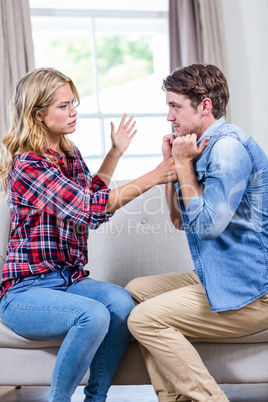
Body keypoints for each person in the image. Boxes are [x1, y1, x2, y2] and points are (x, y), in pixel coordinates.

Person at [0, 67, 176, 402]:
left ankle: (95, 399)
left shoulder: (69, 154)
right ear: (38, 114)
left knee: (121, 304)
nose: (74, 111)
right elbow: (89, 207)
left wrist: (115, 152)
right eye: (63, 106)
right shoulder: (29, 165)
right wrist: (153, 176)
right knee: (92, 314)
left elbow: (89, 211)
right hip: (25, 292)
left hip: (69, 280)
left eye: (73, 103)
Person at [126, 63, 268, 402]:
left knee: (144, 319)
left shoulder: (227, 149)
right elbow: (180, 220)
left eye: (175, 106)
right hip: (225, 276)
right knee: (134, 292)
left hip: (254, 291)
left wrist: (184, 165)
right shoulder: (197, 147)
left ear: (205, 105)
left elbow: (205, 228)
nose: (168, 117)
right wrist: (173, 167)